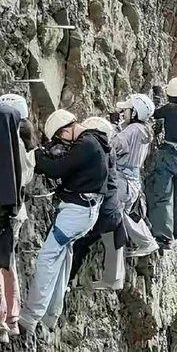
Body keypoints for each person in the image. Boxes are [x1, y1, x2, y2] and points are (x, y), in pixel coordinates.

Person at [20, 109, 108, 333]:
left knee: (47, 259)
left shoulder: (86, 144)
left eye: (59, 137)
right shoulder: (94, 140)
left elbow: (55, 168)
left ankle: (30, 316)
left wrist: (37, 154)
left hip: (76, 212)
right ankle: (51, 315)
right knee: (62, 258)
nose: (60, 142)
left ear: (66, 130)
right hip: (85, 212)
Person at [70, 117, 126, 291]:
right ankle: (113, 279)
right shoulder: (108, 151)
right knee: (100, 244)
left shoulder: (95, 154)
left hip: (104, 214)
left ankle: (67, 280)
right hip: (113, 211)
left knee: (78, 243)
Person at [0, 96, 35, 342]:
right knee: (7, 261)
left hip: (6, 209)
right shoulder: (24, 144)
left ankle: (4, 319)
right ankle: (11, 319)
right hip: (14, 209)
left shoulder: (12, 144)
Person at [148, 77, 177, 249]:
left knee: (163, 194)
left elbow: (154, 113)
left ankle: (163, 236)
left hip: (170, 156)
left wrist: (156, 97)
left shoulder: (170, 109)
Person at [112, 94, 159, 259]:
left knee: (119, 212)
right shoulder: (145, 129)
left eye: (127, 110)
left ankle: (145, 242)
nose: (124, 112)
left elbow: (114, 146)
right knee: (128, 212)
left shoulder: (133, 130)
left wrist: (113, 128)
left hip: (122, 180)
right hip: (132, 180)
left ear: (135, 112)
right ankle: (147, 241)